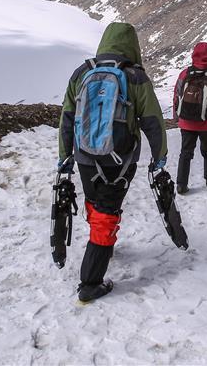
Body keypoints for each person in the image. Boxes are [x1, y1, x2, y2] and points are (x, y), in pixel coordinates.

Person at [58, 22, 168, 304]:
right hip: (120, 160)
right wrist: (160, 156)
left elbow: (67, 120)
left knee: (96, 203)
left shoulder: (81, 73)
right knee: (107, 212)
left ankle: (102, 241)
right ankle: (90, 282)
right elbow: (153, 122)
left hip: (84, 158)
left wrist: (64, 157)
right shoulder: (136, 77)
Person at [172, 42, 207, 194]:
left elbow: (177, 96)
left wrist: (176, 117)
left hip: (186, 122)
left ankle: (181, 184)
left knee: (185, 152)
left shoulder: (185, 73)